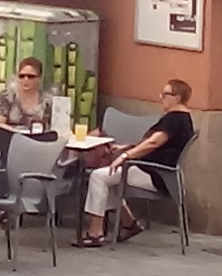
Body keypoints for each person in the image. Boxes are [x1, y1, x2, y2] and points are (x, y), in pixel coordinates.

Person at [75, 78, 195, 248]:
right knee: (109, 179)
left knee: (99, 177)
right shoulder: (184, 118)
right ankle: (129, 223)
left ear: (176, 98)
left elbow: (154, 143)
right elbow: (157, 145)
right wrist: (129, 147)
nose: (161, 97)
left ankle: (96, 233)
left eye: (165, 94)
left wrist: (125, 156)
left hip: (155, 175)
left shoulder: (175, 119)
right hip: (158, 172)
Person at [0, 57, 52, 130]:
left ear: (39, 78)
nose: (25, 79)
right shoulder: (5, 98)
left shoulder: (48, 101)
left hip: (37, 139)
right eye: (22, 76)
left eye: (30, 76)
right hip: (7, 137)